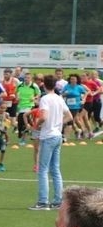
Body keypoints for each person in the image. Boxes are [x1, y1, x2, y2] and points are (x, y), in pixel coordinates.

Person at [30, 74, 74, 211]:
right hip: (57, 136)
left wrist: (36, 125)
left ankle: (43, 202)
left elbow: (44, 117)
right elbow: (69, 116)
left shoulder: (45, 99)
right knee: (55, 169)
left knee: (43, 170)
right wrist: (58, 123)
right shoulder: (59, 98)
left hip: (48, 136)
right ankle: (58, 201)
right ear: (55, 85)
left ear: (44, 84)